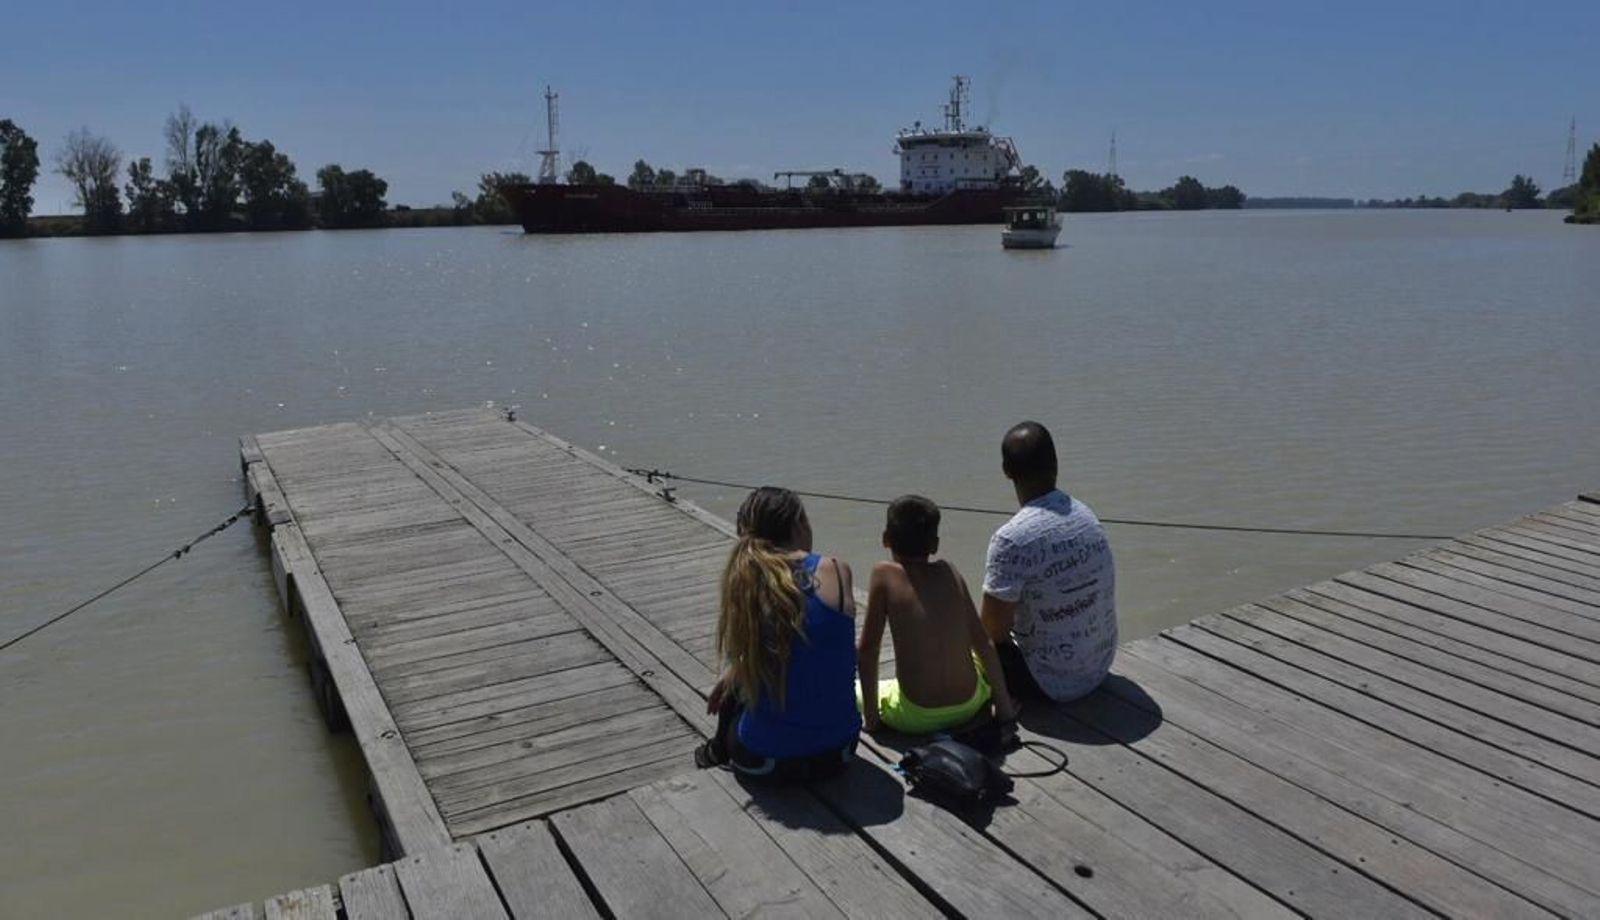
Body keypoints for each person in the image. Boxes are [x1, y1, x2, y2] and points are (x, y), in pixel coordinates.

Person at [697, 486, 861, 781]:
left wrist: (734, 670)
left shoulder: (746, 577)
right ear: (799, 525)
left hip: (767, 762)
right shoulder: (837, 569)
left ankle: (717, 750)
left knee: (739, 684)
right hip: (841, 752)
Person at [857, 495, 1018, 735]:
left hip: (916, 716)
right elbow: (983, 642)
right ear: (935, 545)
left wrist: (872, 721)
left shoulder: (884, 574)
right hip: (970, 705)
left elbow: (868, 649)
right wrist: (1004, 709)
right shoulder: (950, 571)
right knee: (976, 655)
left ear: (885, 539)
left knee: (851, 687)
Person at [981, 421, 1118, 702]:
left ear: (1006, 471)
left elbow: (993, 632)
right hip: (1100, 666)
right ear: (1056, 463)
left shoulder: (1010, 539)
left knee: (972, 642)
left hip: (1047, 684)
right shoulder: (1087, 516)